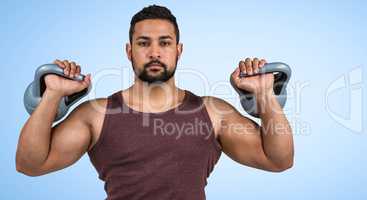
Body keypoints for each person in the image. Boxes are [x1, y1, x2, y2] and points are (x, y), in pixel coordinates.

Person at [16, 4, 293, 200]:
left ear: (178, 50)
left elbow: (278, 159)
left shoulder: (212, 112)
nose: (155, 52)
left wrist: (265, 93)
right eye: (143, 43)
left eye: (165, 43)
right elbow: (30, 164)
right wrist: (51, 95)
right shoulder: (96, 115)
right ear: (129, 51)